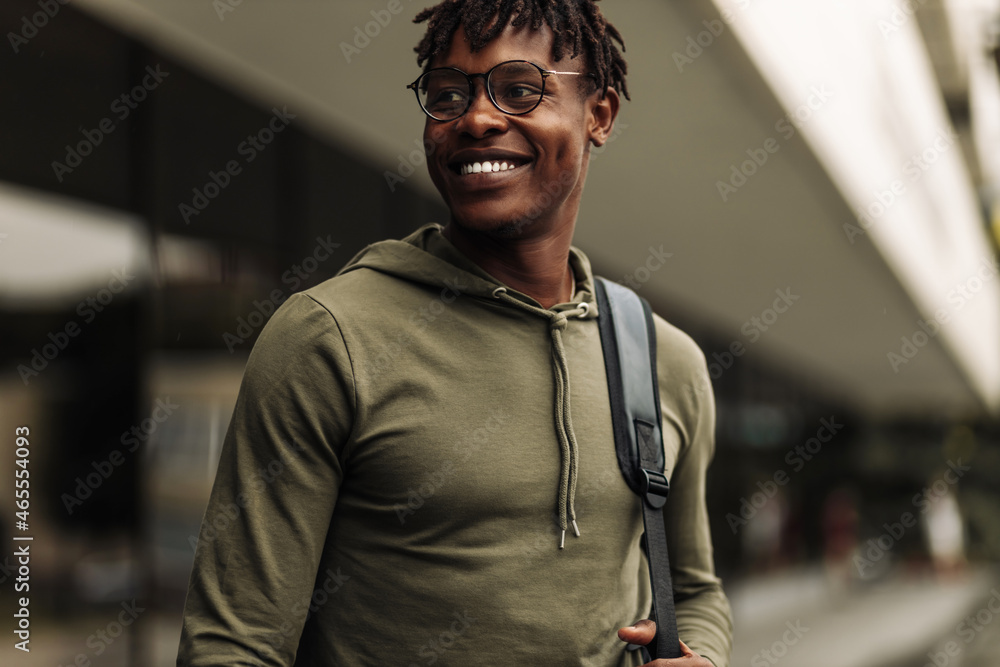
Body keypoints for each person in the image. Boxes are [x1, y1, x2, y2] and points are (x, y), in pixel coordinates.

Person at [177, 1, 733, 665]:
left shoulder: (661, 359)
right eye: (448, 94)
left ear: (599, 116)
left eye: (521, 89)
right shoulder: (330, 339)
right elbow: (234, 643)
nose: (475, 118)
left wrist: (702, 653)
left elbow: (693, 587)